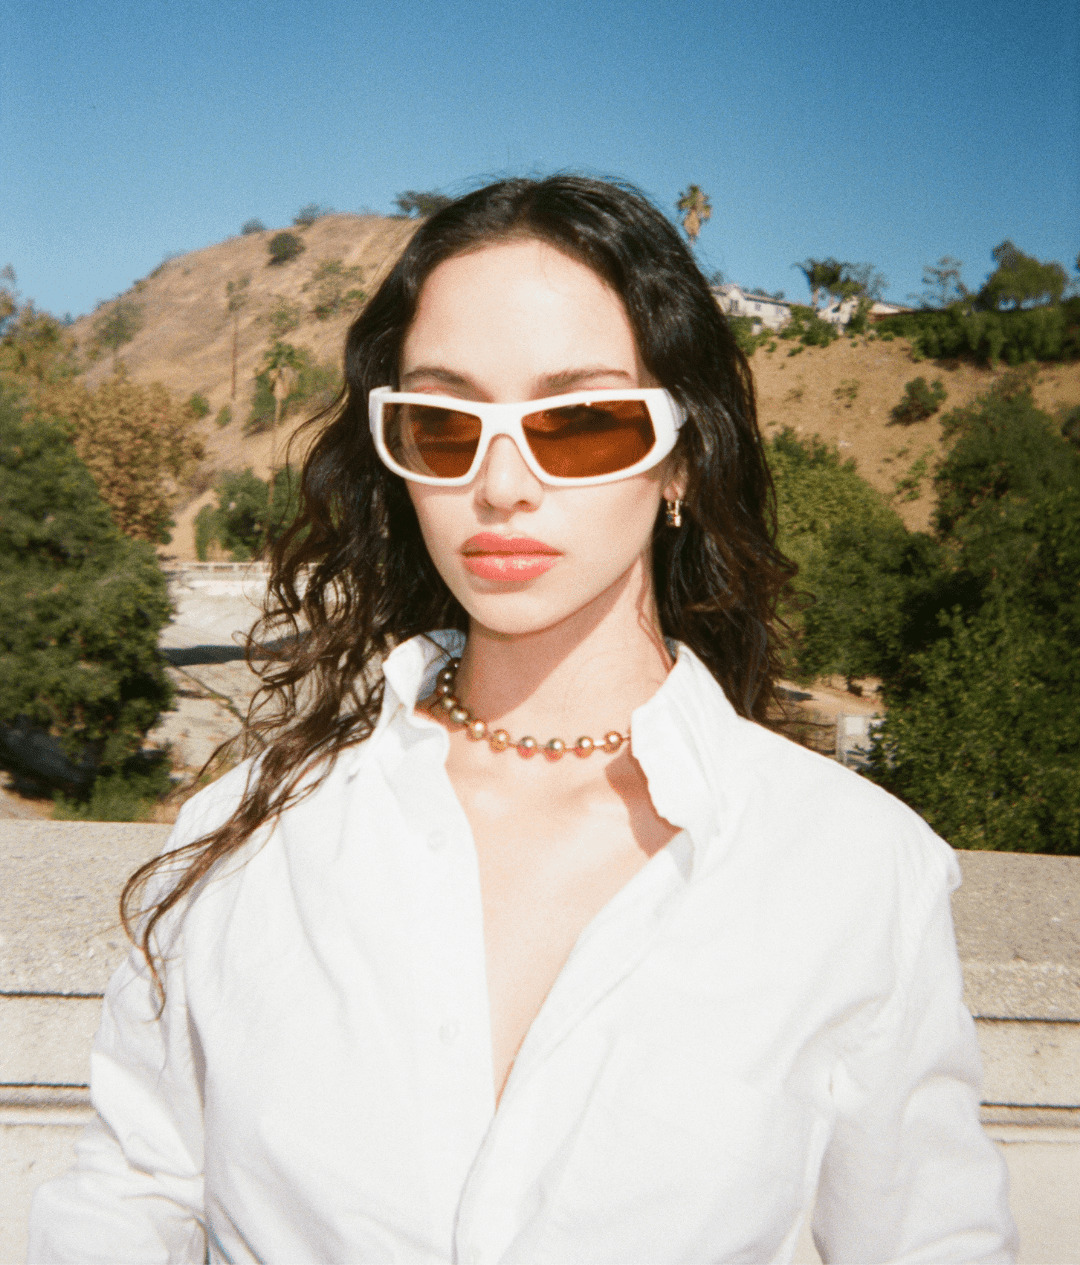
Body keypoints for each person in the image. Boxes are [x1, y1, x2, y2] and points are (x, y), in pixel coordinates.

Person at [28, 176, 1016, 1264]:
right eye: (443, 425)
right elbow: (126, 1206)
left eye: (581, 424)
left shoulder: (852, 870)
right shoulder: (247, 837)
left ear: (683, 458)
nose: (500, 485)